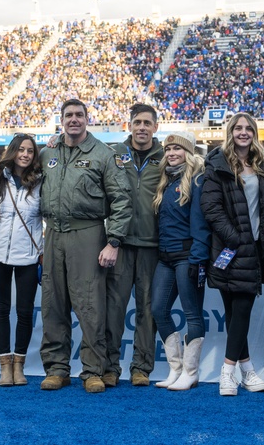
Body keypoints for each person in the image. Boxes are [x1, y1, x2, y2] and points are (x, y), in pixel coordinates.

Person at [38, 99, 132, 394]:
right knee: (53, 304)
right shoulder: (48, 152)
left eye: (79, 115)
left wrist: (113, 241)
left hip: (88, 234)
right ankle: (57, 368)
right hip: (53, 234)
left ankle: (93, 370)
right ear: (61, 120)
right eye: (69, 115)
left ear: (87, 119)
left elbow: (121, 200)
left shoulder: (104, 154)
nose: (74, 120)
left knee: (90, 307)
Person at [201, 112, 264, 396]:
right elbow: (211, 209)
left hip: (253, 247)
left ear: (254, 133)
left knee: (239, 312)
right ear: (230, 132)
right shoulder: (217, 163)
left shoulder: (261, 164)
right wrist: (236, 238)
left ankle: (244, 369)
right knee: (235, 311)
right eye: (238, 128)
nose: (243, 133)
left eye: (248, 128)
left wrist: (252, 240)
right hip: (229, 248)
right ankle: (229, 373)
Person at [106, 104, 163, 387]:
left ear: (155, 127)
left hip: (153, 245)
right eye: (137, 122)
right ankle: (109, 366)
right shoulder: (114, 153)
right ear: (129, 125)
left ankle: (141, 367)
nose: (142, 127)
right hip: (121, 243)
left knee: (147, 309)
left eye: (147, 123)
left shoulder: (166, 155)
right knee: (114, 309)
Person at [150, 131, 210, 391]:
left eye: (177, 149)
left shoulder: (197, 179)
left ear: (188, 152)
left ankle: (191, 371)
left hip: (188, 256)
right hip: (165, 257)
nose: (172, 153)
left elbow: (201, 223)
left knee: (192, 314)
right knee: (158, 310)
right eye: (168, 150)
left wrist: (198, 258)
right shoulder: (165, 180)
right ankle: (175, 369)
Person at [0, 133, 43, 387]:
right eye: (20, 149)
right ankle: (4, 366)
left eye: (30, 151)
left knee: (24, 312)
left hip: (28, 256)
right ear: (12, 151)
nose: (25, 155)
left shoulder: (41, 181)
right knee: (0, 310)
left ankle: (19, 364)